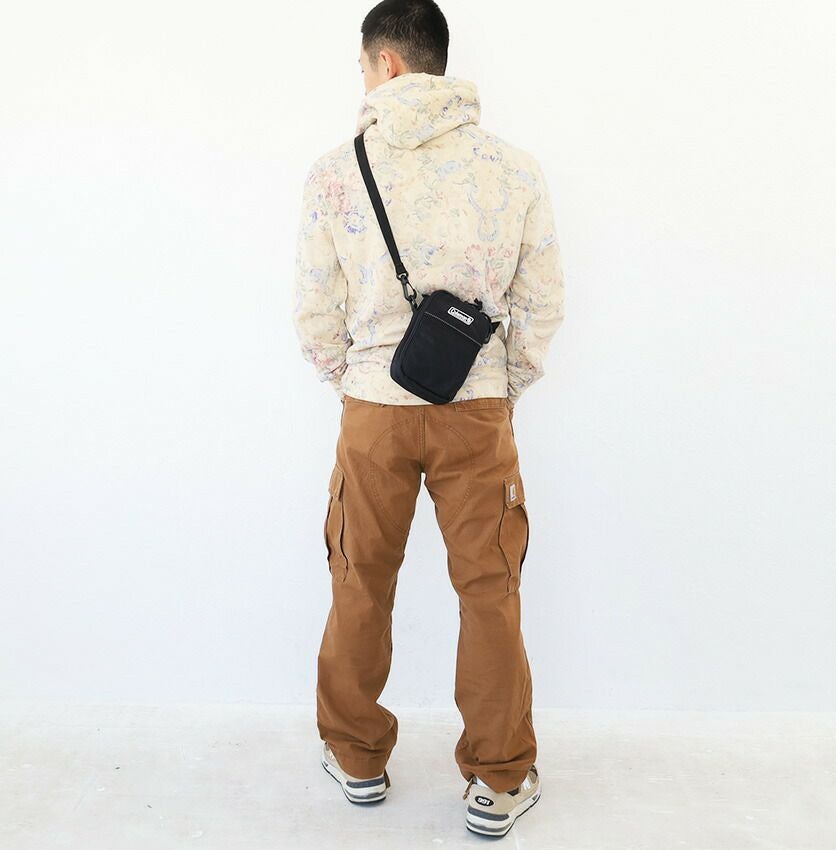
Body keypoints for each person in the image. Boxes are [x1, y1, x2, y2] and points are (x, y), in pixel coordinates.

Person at [292, 0, 564, 837]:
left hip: (373, 413)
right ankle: (499, 777)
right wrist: (502, 384)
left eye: (362, 65)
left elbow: (314, 310)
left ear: (387, 64)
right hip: (475, 413)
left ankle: (357, 757)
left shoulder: (336, 171)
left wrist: (355, 380)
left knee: (359, 580)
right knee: (490, 589)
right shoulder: (513, 170)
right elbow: (541, 303)